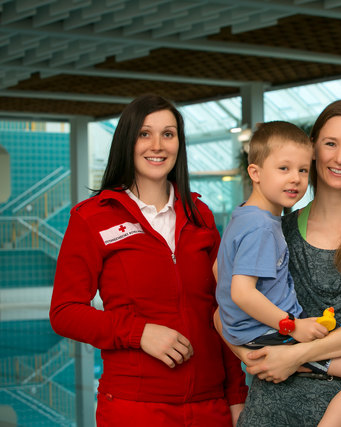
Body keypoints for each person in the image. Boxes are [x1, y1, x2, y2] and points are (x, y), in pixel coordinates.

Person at [49, 94, 247, 426]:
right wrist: (139, 332)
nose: (157, 145)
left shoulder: (201, 216)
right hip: (134, 407)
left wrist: (237, 395)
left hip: (209, 406)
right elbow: (65, 312)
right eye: (145, 133)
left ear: (178, 144)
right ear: (128, 140)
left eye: (168, 134)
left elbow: (221, 310)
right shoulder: (93, 218)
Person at [214, 100, 341, 426]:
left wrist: (295, 356)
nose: (340, 157)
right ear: (314, 150)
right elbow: (225, 306)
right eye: (330, 144)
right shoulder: (276, 230)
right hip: (268, 410)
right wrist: (257, 359)